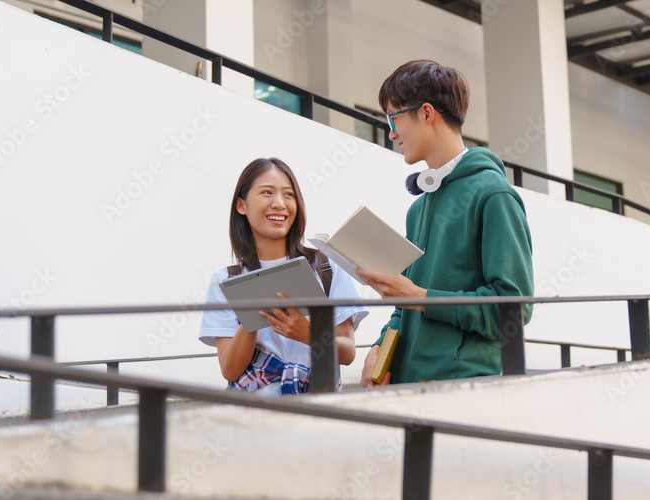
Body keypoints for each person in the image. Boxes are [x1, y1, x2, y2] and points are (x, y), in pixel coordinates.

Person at [358, 60, 534, 386]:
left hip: (462, 388)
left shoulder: (494, 195)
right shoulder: (418, 207)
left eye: (393, 117)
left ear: (426, 114)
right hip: (407, 385)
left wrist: (420, 297)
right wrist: (379, 347)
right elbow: (405, 304)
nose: (391, 132)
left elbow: (516, 309)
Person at [199, 158, 367, 395]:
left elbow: (348, 353)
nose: (279, 204)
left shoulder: (327, 267)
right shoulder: (225, 281)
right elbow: (230, 370)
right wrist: (253, 318)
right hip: (255, 414)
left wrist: (306, 332)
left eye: (288, 195)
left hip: (319, 408)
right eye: (267, 192)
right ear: (241, 205)